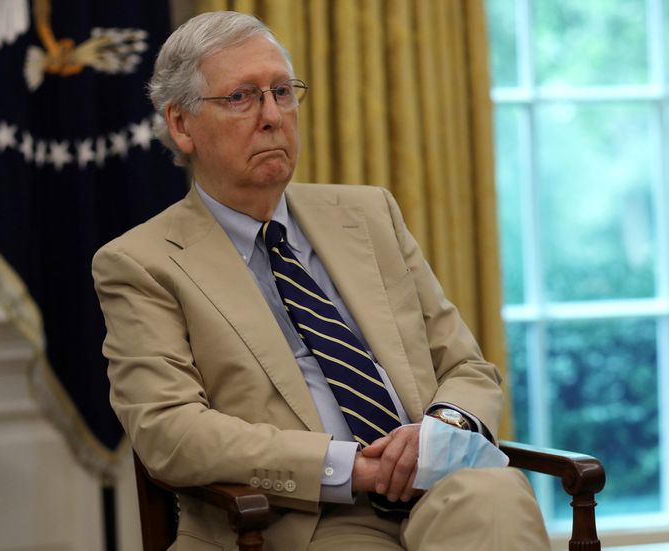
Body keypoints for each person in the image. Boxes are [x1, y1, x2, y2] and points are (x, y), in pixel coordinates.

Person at [93, 10, 550, 551]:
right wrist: (347, 468)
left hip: (437, 485)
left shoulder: (369, 213)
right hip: (296, 520)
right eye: (241, 97)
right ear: (181, 124)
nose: (271, 116)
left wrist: (441, 430)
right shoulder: (142, 262)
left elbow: (466, 366)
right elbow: (170, 432)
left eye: (282, 92)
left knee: (496, 495)